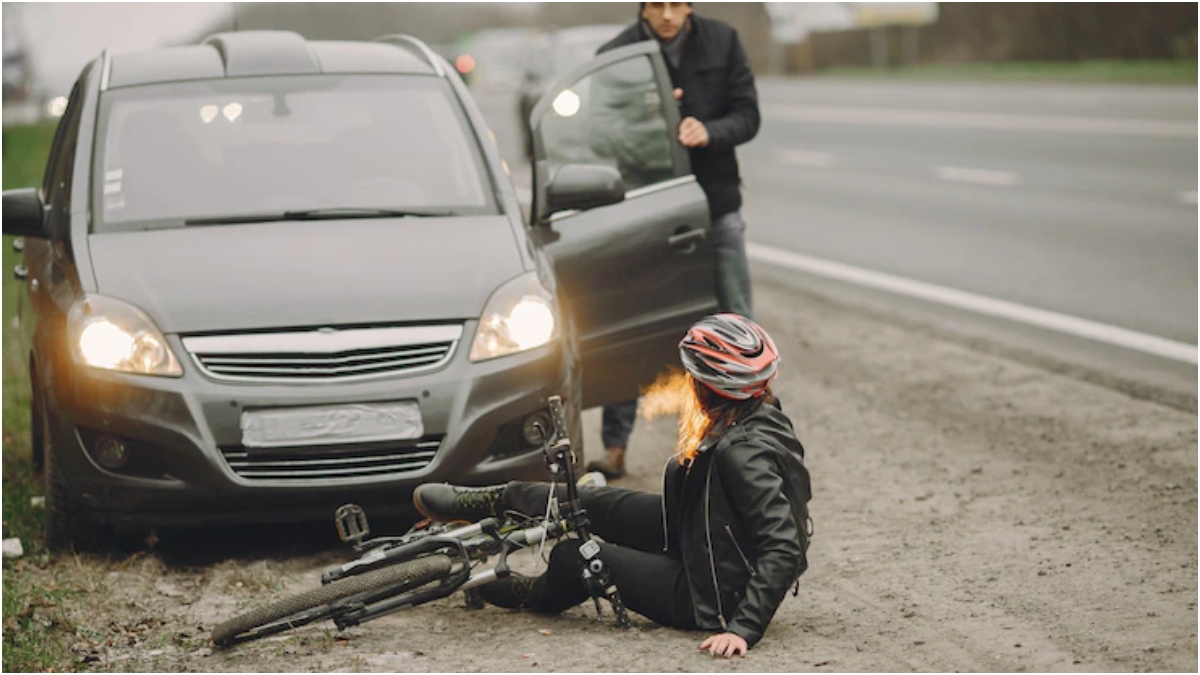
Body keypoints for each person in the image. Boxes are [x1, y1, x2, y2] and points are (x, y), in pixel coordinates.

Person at [414, 314, 810, 657]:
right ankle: (489, 500)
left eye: (694, 375)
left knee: (578, 554)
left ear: (713, 385)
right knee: (590, 500)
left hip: (707, 594)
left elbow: (784, 544)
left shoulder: (744, 453)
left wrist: (742, 629)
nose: (689, 382)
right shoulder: (753, 414)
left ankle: (532, 594)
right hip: (699, 537)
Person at [589, 2, 762, 480]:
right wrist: (652, 128)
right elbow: (600, 136)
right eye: (656, 5)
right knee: (629, 324)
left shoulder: (722, 41)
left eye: (676, 3)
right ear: (642, 9)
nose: (667, 14)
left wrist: (709, 130)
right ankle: (615, 447)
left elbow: (748, 115)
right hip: (644, 213)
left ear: (690, 6)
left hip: (715, 205)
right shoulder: (616, 57)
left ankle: (750, 435)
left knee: (736, 321)